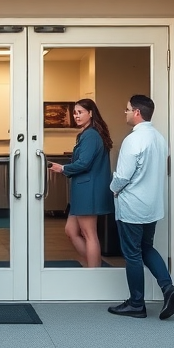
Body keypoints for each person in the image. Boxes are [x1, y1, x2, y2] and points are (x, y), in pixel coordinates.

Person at [106, 94, 174, 320]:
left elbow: (123, 176)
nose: (126, 113)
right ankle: (168, 288)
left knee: (132, 254)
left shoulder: (133, 140)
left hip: (132, 207)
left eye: (127, 109)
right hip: (152, 206)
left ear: (137, 112)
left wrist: (113, 188)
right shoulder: (159, 138)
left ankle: (136, 303)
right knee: (146, 247)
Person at [48, 98, 113, 267]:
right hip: (83, 191)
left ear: (90, 113)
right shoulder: (87, 134)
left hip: (88, 191)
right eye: (75, 113)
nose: (76, 116)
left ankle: (94, 272)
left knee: (89, 233)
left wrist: (62, 169)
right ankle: (94, 264)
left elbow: (84, 163)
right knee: (71, 231)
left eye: (80, 112)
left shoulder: (91, 135)